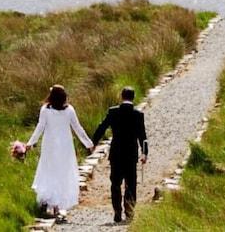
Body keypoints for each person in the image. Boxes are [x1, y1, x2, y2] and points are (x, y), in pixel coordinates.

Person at [24, 84, 94, 219]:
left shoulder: (45, 110)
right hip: (65, 148)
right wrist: (88, 144)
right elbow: (77, 128)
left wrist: (30, 143)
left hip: (50, 147)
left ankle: (49, 202)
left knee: (49, 172)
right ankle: (57, 206)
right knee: (62, 174)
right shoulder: (69, 110)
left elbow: (40, 127)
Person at [91, 86, 149, 223]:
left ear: (121, 96)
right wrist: (144, 153)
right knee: (131, 183)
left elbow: (102, 127)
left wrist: (93, 143)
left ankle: (117, 211)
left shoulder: (113, 112)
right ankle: (129, 211)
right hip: (131, 154)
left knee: (115, 183)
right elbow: (143, 136)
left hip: (116, 152)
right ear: (133, 97)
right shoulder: (138, 115)